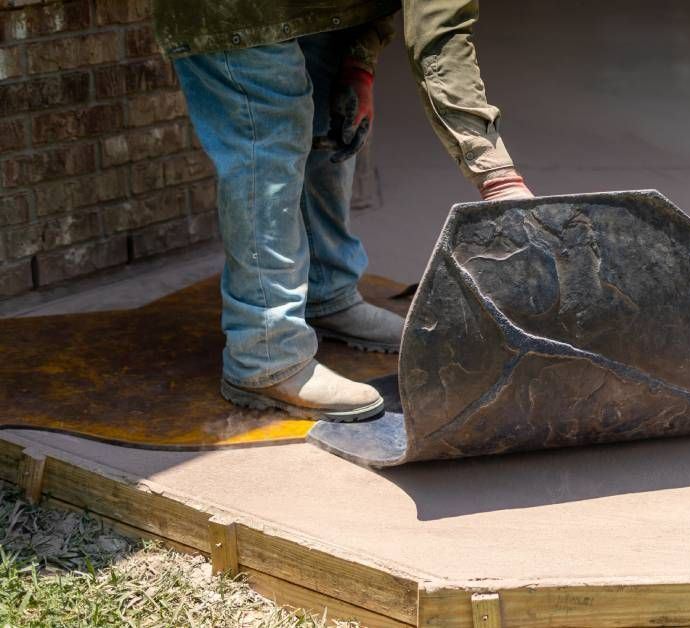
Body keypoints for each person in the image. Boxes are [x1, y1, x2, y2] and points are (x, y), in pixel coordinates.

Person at [152, 1, 532, 421]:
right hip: (236, 10)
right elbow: (440, 36)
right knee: (269, 139)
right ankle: (264, 354)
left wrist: (358, 65)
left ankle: (326, 294)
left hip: (323, 10)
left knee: (334, 115)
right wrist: (496, 175)